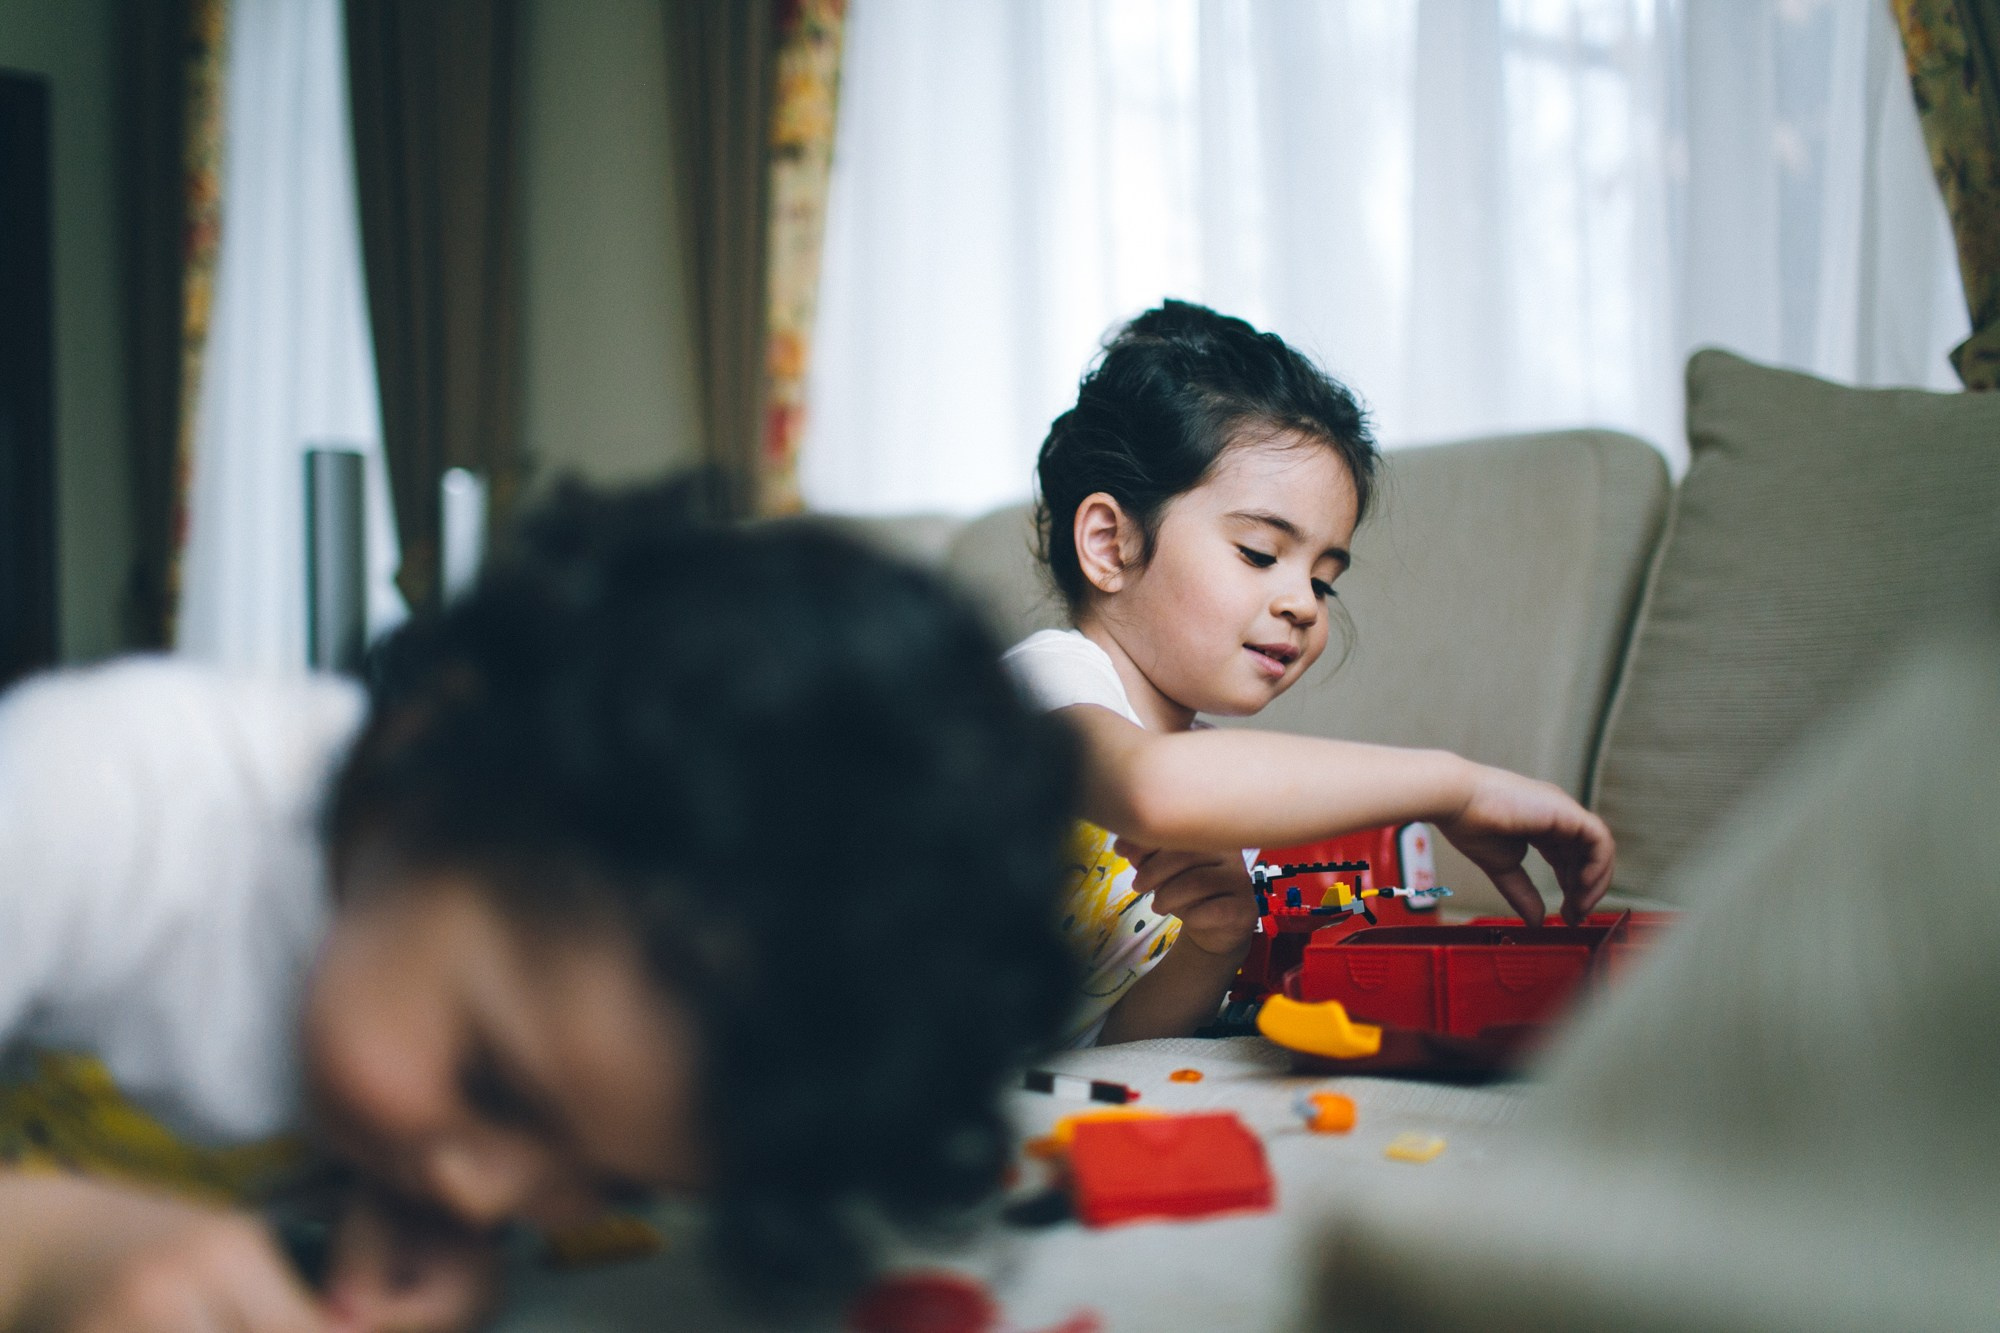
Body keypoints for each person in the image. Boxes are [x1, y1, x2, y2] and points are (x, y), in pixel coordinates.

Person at [0, 482, 1078, 1331]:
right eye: (493, 1085)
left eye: (608, 1180)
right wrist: (48, 1255)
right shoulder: (87, 790)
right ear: (425, 758)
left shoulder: (436, 994)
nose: (485, 1198)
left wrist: (385, 1203)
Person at [1007, 301, 1616, 1046]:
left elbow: (1110, 1042)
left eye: (1324, 581)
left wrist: (1217, 940)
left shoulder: (1222, 800)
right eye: (1260, 553)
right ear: (1110, 544)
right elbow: (1152, 786)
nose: (1302, 603)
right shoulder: (1042, 686)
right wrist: (1458, 787)